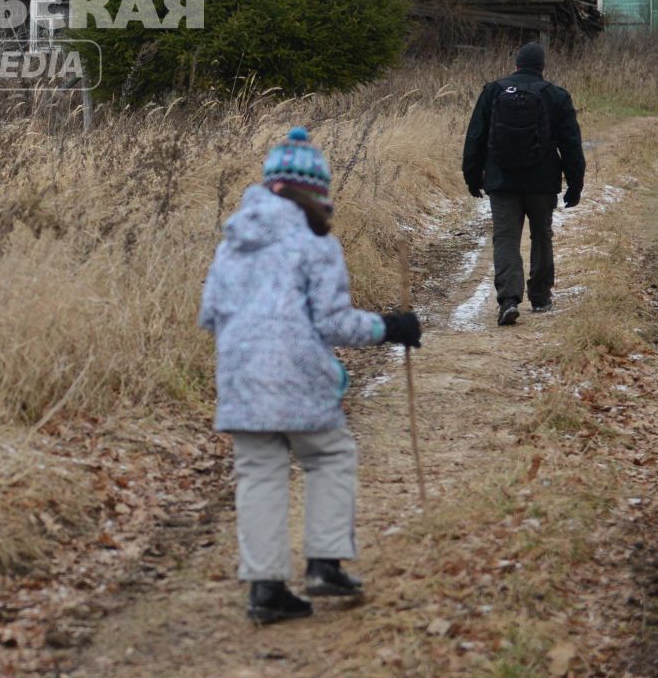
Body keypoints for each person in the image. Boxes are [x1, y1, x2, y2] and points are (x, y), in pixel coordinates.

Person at [199, 127, 423, 625]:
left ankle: (266, 590)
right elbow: (333, 323)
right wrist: (390, 327)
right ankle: (324, 563)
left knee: (259, 474)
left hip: (239, 378)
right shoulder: (316, 245)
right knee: (330, 456)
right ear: (313, 192)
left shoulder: (232, 243)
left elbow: (210, 313)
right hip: (298, 374)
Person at [461, 40, 585, 327]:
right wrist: (575, 184)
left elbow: (475, 136)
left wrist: (472, 175)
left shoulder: (493, 91)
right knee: (542, 235)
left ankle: (508, 300)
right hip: (542, 182)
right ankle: (540, 296)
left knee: (505, 238)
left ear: (515, 65)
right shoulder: (556, 95)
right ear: (542, 68)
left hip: (501, 180)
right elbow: (571, 145)